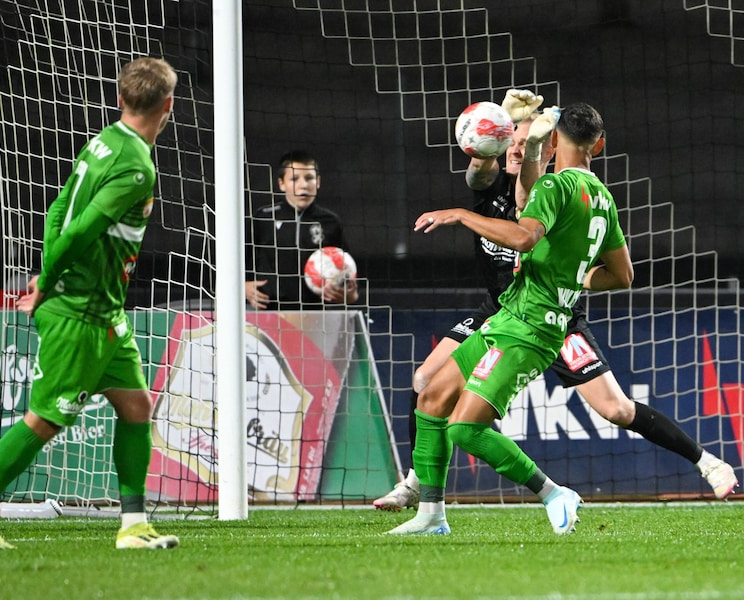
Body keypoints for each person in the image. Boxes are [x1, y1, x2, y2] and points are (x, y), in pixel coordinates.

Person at [375, 93, 739, 514]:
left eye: (526, 142)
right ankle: (417, 485)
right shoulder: (493, 187)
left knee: (615, 409)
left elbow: (532, 208)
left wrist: (578, 276)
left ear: (547, 148)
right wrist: (497, 131)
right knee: (427, 382)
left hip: (555, 320)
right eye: (510, 140)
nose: (516, 146)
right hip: (498, 311)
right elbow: (479, 170)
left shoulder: (550, 188)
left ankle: (706, 461)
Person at [0, 57, 180, 550]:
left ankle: (132, 526)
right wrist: (48, 283)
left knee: (137, 406)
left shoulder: (103, 142)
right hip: (81, 310)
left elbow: (56, 209)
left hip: (105, 312)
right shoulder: (136, 167)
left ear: (120, 99)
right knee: (46, 418)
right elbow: (77, 231)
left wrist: (46, 269)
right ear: (168, 106)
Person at [386, 101, 635, 536]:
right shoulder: (603, 199)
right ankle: (430, 516)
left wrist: (463, 215)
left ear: (555, 140)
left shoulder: (558, 186)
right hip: (509, 317)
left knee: (464, 429)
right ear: (601, 144)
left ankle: (554, 492)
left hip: (530, 331)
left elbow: (523, 236)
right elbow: (623, 275)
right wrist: (572, 280)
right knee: (432, 400)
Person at [245, 150, 359, 310]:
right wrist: (243, 287)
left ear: (318, 182)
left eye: (309, 178)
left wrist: (350, 295)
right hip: (269, 312)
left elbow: (348, 270)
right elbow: (239, 261)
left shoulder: (330, 221)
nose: (303, 184)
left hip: (318, 315)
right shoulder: (263, 218)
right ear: (281, 184)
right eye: (294, 178)